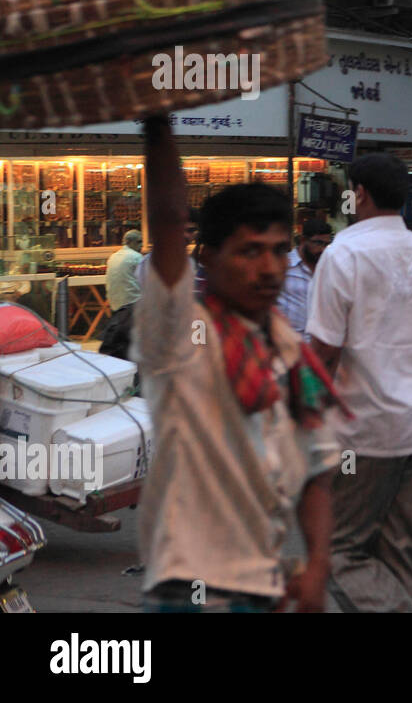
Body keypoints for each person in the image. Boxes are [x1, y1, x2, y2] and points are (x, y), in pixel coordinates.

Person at [133, 115, 341, 613]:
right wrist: (158, 128)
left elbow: (316, 465)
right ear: (206, 257)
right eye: (249, 252)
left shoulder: (288, 347)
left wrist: (316, 565)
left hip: (263, 585)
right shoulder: (180, 333)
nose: (269, 268)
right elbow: (165, 224)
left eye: (278, 251)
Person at [306, 152, 412, 613]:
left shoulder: (344, 253)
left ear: (360, 194)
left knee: (336, 551)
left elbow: (323, 353)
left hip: (365, 436)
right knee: (396, 552)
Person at [277, 219, 332, 337]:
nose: (322, 249)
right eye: (318, 243)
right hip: (288, 340)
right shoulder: (285, 265)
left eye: (326, 244)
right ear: (303, 240)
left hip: (318, 343)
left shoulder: (328, 267)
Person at [99, 229, 143, 359]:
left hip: (115, 305)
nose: (141, 246)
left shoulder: (113, 256)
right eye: (138, 242)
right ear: (129, 242)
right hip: (133, 306)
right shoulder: (136, 257)